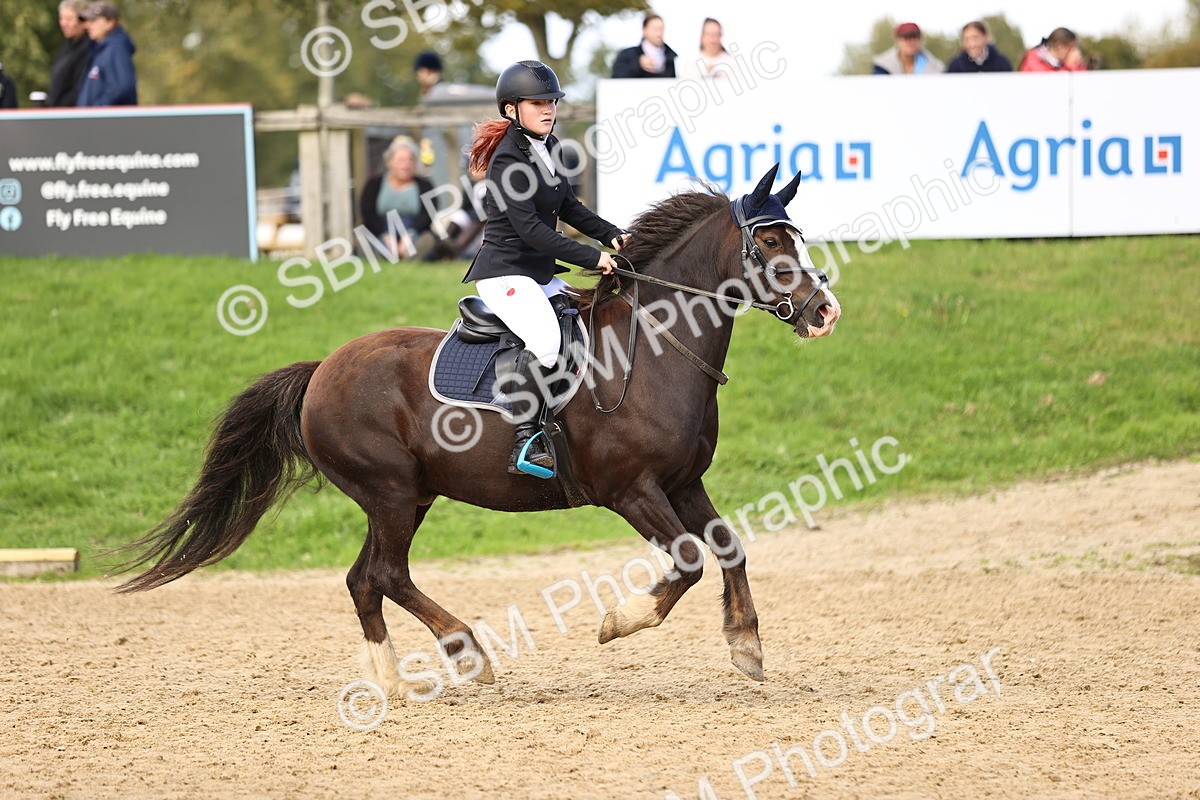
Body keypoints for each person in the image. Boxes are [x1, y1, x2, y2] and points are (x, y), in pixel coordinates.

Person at [463, 60, 628, 475]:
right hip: (504, 274)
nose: (548, 109)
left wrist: (613, 235)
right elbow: (532, 230)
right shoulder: (505, 161)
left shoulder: (551, 147)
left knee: (587, 326)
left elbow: (569, 206)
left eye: (551, 102)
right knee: (547, 341)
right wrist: (592, 257)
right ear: (511, 110)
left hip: (536, 274)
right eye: (537, 103)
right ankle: (525, 440)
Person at [359, 136, 435, 259]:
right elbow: (368, 214)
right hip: (382, 231)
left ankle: (410, 257)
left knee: (428, 240)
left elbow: (428, 216)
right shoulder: (374, 184)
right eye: (401, 160)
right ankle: (383, 256)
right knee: (363, 237)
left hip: (413, 232)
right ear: (389, 162)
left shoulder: (425, 186)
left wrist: (410, 235)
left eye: (410, 160)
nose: (406, 165)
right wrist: (386, 236)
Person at [76, 2, 137, 106]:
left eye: (94, 20)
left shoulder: (115, 49)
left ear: (110, 22)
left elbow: (121, 87)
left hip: (107, 121)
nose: (87, 25)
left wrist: (96, 112)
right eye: (88, 21)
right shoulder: (100, 51)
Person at [49, 0, 92, 106]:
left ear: (83, 21)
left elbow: (81, 88)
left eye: (68, 19)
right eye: (61, 18)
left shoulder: (88, 49)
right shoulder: (68, 46)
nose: (63, 23)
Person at [611, 13, 677, 78]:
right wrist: (638, 65)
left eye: (661, 29)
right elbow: (616, 79)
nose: (659, 33)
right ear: (644, 30)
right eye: (655, 29)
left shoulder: (671, 56)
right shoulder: (628, 55)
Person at [872, 22, 945, 75]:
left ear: (921, 40)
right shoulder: (882, 66)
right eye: (906, 37)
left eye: (915, 37)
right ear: (898, 40)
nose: (911, 42)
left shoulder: (936, 67)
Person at [947, 20, 1013, 72]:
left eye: (975, 38)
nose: (972, 45)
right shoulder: (955, 66)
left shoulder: (1002, 63)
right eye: (966, 39)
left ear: (985, 37)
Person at [1019, 28, 1087, 72]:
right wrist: (1070, 66)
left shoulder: (1061, 64)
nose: (1075, 52)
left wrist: (1078, 65)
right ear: (1059, 46)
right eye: (1072, 48)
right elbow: (1052, 86)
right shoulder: (1033, 64)